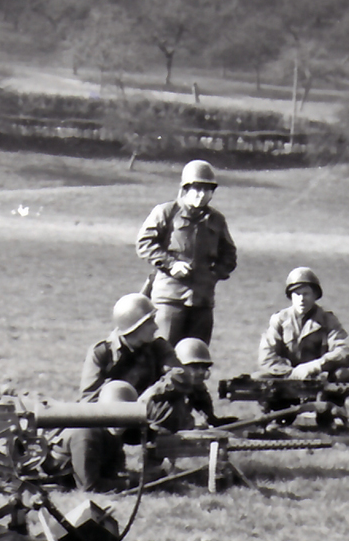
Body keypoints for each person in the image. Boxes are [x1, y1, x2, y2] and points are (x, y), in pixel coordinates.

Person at [137, 159, 237, 345]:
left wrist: (213, 274)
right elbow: (144, 243)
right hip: (169, 299)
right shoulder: (166, 212)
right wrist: (171, 264)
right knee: (164, 354)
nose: (201, 194)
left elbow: (229, 255)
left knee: (196, 357)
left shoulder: (216, 220)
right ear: (186, 189)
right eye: (197, 189)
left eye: (207, 190)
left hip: (202, 301)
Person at [259, 266, 349, 383]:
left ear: (315, 295)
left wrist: (316, 366)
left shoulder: (327, 319)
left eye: (306, 294)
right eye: (297, 294)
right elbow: (266, 357)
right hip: (286, 378)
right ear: (291, 297)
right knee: (258, 379)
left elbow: (346, 351)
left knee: (343, 375)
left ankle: (327, 401)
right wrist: (292, 373)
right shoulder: (279, 319)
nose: (301, 299)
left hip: (319, 378)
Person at [81, 293, 180, 402]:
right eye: (150, 322)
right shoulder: (102, 353)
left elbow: (179, 375)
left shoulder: (159, 348)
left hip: (150, 414)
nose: (156, 327)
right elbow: (88, 399)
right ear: (135, 326)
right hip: (113, 414)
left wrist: (154, 392)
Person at [57, 380, 142, 492]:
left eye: (126, 414)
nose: (120, 421)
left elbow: (113, 471)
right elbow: (90, 486)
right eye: (114, 413)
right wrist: (131, 483)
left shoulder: (110, 430)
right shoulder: (86, 434)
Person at [145, 338, 217, 434]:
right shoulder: (167, 390)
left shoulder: (196, 387)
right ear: (180, 368)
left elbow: (208, 415)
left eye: (204, 367)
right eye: (195, 367)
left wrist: (213, 420)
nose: (201, 372)